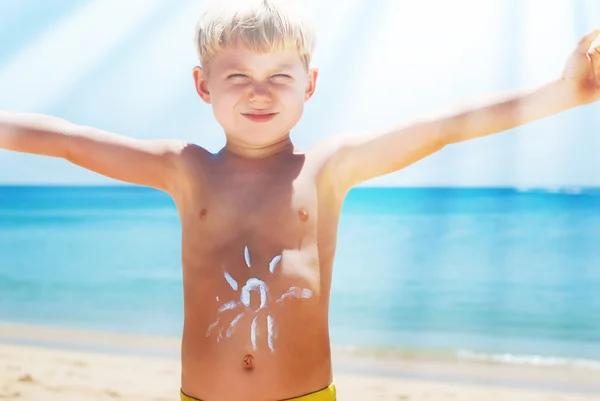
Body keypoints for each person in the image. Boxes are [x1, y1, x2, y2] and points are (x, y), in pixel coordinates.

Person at [1, 0, 599, 399]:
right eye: (237, 76)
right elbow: (69, 142)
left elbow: (443, 126)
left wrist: (562, 93)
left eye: (280, 77)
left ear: (309, 85)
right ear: (203, 84)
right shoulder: (185, 169)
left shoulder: (329, 168)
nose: (259, 93)